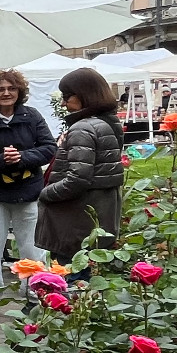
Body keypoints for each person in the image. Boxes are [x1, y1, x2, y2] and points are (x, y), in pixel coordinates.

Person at [0, 71, 57, 320]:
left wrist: (23, 157)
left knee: (33, 248)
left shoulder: (31, 117)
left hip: (29, 192)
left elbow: (49, 148)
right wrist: (0, 161)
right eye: (0, 89)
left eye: (11, 89)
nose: (6, 93)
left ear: (19, 92)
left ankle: (36, 295)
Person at [37, 68, 127, 266]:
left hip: (75, 223)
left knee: (71, 282)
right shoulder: (109, 123)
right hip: (98, 218)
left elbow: (77, 179)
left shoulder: (83, 128)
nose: (63, 103)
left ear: (84, 95)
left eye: (67, 96)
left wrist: (45, 193)